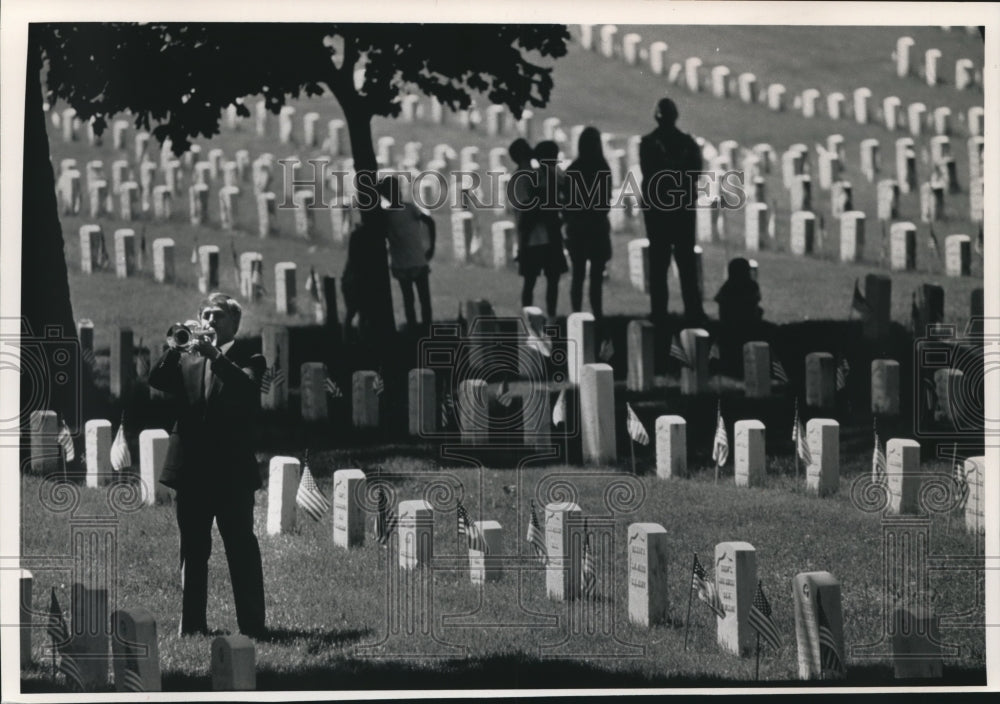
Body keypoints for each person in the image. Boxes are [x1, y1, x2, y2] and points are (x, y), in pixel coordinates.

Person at [148, 293, 267, 638]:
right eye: (205, 316)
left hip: (231, 473)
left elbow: (246, 390)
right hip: (192, 471)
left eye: (217, 316)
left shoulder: (251, 357)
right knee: (193, 550)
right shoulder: (187, 358)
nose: (210, 322)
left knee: (241, 548)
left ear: (235, 323)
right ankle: (193, 627)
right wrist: (175, 346)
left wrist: (216, 356)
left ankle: (253, 627)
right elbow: (156, 380)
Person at [639, 97, 707, 327]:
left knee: (660, 263)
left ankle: (660, 311)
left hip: (659, 210)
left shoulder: (648, 143)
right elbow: (695, 173)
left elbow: (649, 174)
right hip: (681, 209)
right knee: (685, 262)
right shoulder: (688, 143)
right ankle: (693, 310)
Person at [508, 138, 567, 323]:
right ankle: (529, 318)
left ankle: (551, 316)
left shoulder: (539, 174)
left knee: (551, 280)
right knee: (531, 282)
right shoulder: (520, 179)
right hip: (532, 238)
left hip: (546, 236)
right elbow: (526, 210)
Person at [563, 126, 612, 321]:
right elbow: (605, 201)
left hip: (577, 228)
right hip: (597, 227)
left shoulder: (573, 169)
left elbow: (565, 202)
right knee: (596, 277)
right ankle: (597, 313)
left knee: (578, 274)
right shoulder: (603, 168)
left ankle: (576, 313)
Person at [378, 175, 436, 331]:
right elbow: (430, 222)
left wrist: (431, 247)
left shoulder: (409, 209)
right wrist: (431, 247)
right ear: (387, 194)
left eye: (397, 189)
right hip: (405, 262)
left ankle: (425, 330)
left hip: (414, 260)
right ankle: (416, 329)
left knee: (422, 301)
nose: (397, 193)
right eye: (393, 190)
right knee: (410, 301)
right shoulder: (388, 214)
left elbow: (430, 222)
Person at [714, 257, 764, 369]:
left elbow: (719, 300)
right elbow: (755, 301)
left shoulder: (727, 287)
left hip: (728, 324)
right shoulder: (751, 286)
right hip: (746, 324)